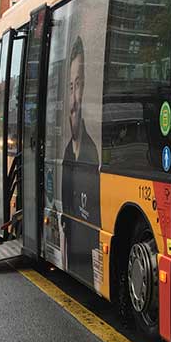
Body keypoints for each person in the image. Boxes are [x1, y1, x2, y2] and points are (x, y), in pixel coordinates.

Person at [61, 36, 100, 282]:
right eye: (70, 87)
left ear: (85, 90)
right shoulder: (65, 154)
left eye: (79, 85)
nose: (74, 99)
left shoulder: (92, 154)